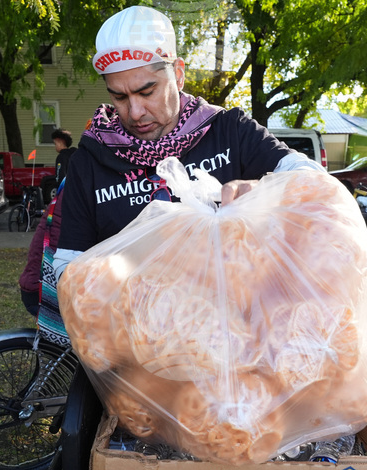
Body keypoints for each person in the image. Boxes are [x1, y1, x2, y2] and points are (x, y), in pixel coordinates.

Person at [52, 5, 323, 277]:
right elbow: (66, 268)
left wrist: (266, 191)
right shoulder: (89, 160)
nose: (135, 112)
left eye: (147, 92)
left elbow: (316, 183)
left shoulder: (229, 130)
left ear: (178, 75)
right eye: (119, 97)